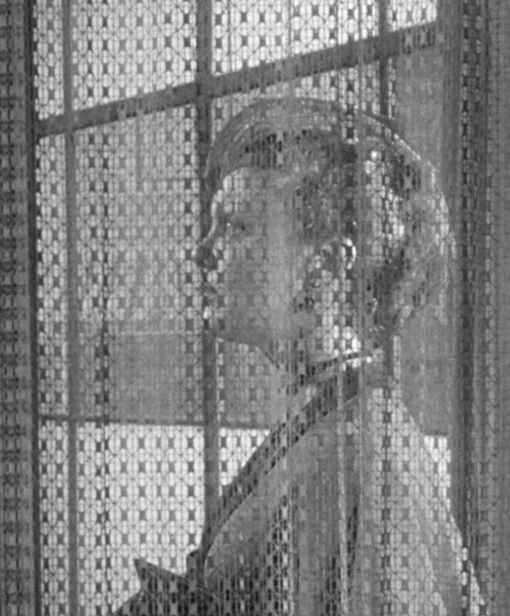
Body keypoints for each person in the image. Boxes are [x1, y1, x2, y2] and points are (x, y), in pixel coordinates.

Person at [117, 98, 477, 614]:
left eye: (235, 226)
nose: (203, 252)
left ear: (325, 264)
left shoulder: (360, 447)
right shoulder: (326, 416)